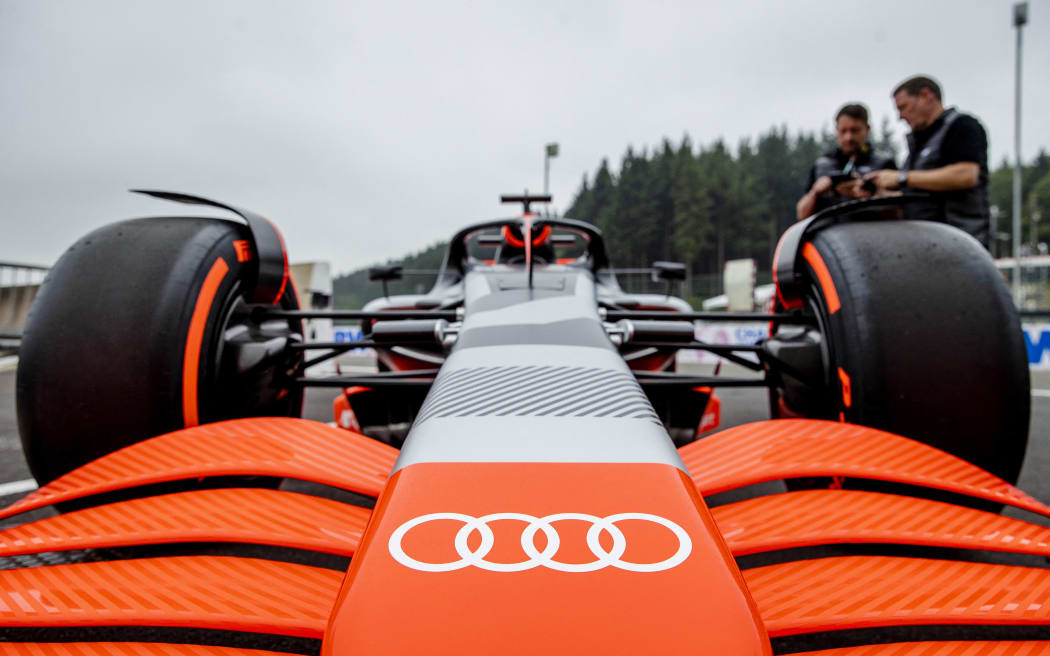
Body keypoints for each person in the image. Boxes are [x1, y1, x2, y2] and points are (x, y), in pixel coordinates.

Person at [864, 75, 991, 248]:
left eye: (903, 107)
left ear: (926, 95)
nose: (900, 116)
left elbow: (966, 175)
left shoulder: (962, 126)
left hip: (960, 244)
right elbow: (923, 196)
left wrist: (901, 178)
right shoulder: (918, 144)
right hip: (924, 245)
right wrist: (880, 195)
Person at [796, 103, 897, 220]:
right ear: (836, 130)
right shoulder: (822, 165)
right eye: (843, 131)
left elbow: (898, 214)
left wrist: (872, 194)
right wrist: (816, 191)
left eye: (855, 131)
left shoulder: (883, 165)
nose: (848, 137)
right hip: (828, 234)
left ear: (867, 129)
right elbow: (802, 215)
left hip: (872, 234)